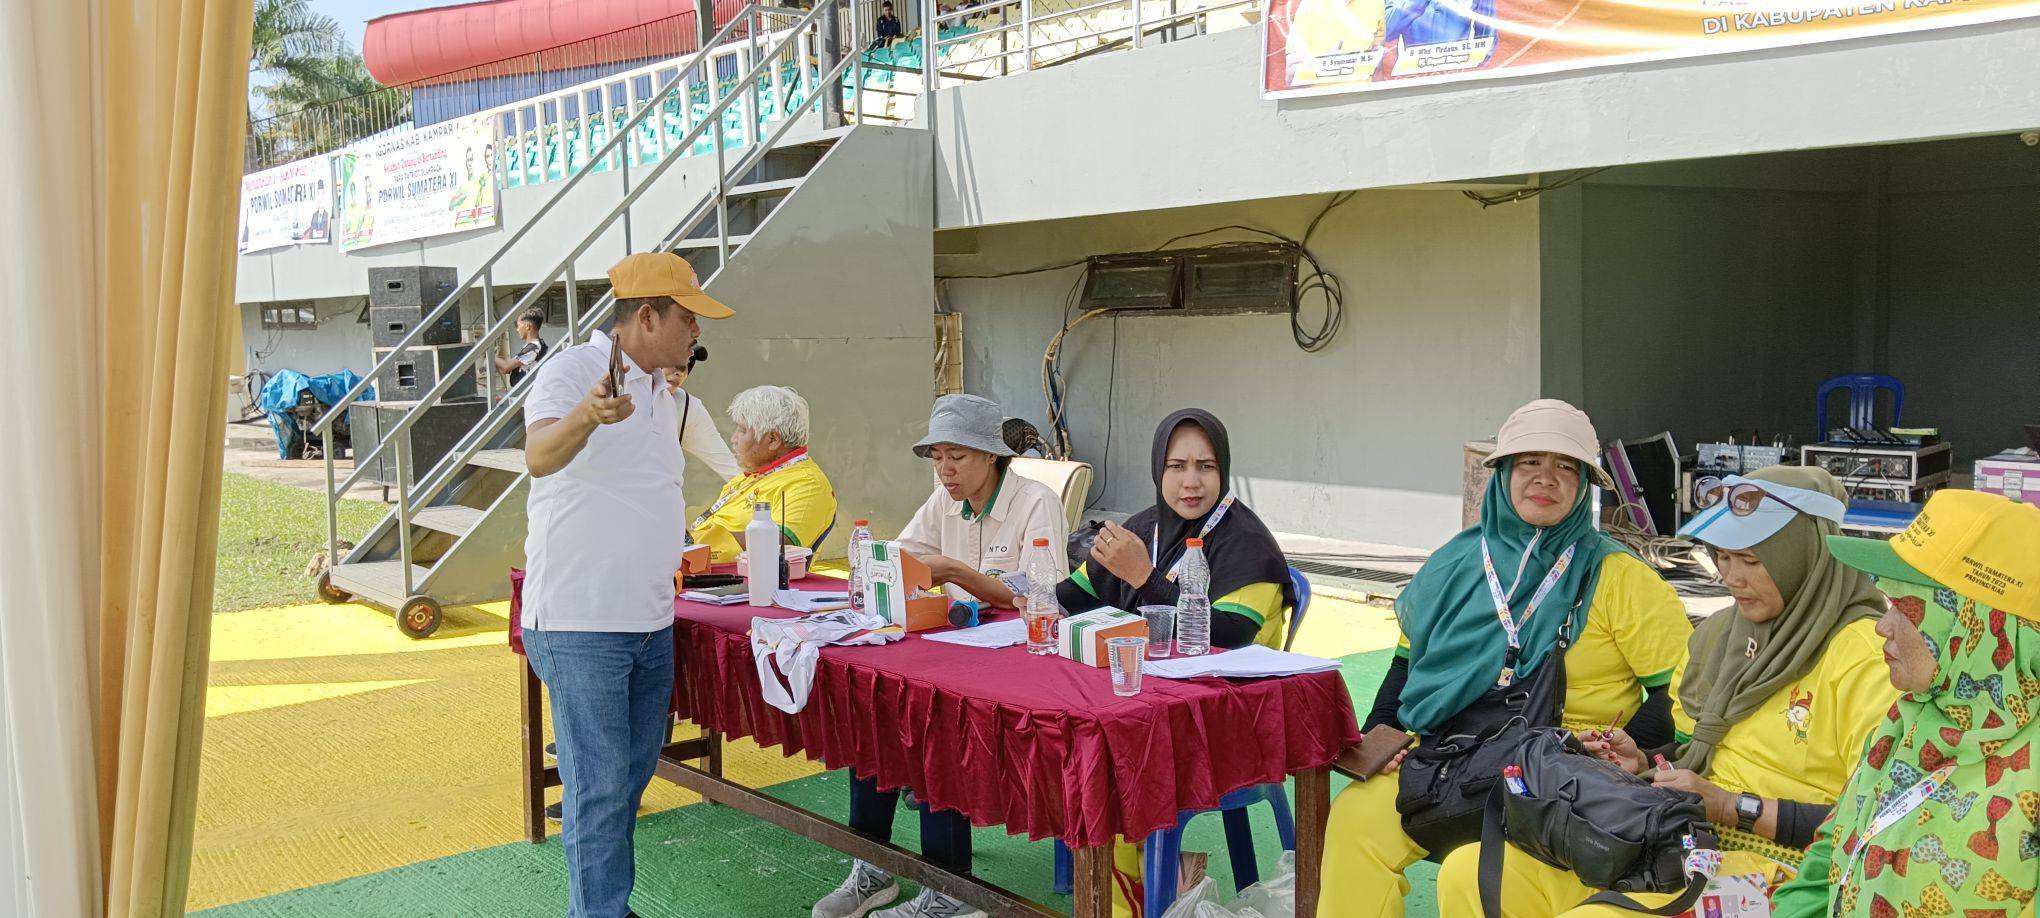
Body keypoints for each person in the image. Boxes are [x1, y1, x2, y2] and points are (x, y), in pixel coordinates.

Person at [1433, 467, 1895, 916]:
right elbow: (1701, 749)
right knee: (1469, 872)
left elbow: (1881, 816)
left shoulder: (1867, 657)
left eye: (1752, 561)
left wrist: (1733, 808)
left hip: (1790, 866)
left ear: (1806, 557)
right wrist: (1647, 763)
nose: (1731, 578)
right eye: (1724, 557)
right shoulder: (1721, 636)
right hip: (1677, 835)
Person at [1321, 399, 1693, 918]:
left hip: (1559, 780)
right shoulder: (1453, 563)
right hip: (1452, 762)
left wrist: (1620, 751)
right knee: (1356, 821)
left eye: (1566, 467)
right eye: (1529, 462)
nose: (1547, 478)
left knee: (1478, 870)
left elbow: (1679, 696)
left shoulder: (1621, 577)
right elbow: (1405, 669)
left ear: (1584, 484)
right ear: (1502, 474)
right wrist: (1384, 738)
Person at [519, 251, 733, 918]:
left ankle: (605, 906)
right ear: (646, 317)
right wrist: (587, 414)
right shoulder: (574, 373)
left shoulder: (665, 391)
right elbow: (539, 455)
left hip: (647, 619)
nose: (697, 333)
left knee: (629, 776)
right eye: (688, 320)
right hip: (583, 623)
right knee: (602, 786)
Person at [813, 394, 1069, 918]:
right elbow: (899, 555)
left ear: (992, 456)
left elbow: (1038, 593)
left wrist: (953, 572)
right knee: (875, 703)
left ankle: (952, 892)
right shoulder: (943, 500)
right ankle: (872, 864)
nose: (945, 470)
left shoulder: (1035, 501)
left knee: (938, 721)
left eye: (958, 456)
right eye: (937, 457)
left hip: (1017, 661)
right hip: (953, 647)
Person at [1052, 409, 1296, 915]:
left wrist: (1143, 576)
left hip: (1229, 720)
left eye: (1205, 467)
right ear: (1157, 471)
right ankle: (1153, 886)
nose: (1191, 482)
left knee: (1109, 776)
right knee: (1072, 753)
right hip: (1149, 709)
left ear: (1223, 471)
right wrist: (1019, 592)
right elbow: (1072, 598)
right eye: (1176, 466)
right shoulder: (1144, 526)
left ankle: (1141, 891)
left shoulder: (1246, 542)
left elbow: (1227, 637)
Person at [1771, 490, 2040, 918]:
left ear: (1974, 627)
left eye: (1905, 607)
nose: (1882, 625)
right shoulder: (1910, 716)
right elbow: (1835, 851)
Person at [688, 385, 837, 564]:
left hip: (748, 584)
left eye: (742, 431)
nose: (733, 439)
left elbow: (780, 547)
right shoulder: (750, 477)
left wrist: (699, 541)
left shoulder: (808, 484)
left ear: (773, 440)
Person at [663, 345, 741, 482]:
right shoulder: (617, 391)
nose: (680, 372)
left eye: (687, 363)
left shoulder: (686, 407)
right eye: (674, 359)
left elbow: (731, 468)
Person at [494, 310, 549, 388]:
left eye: (518, 325)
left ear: (527, 326)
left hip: (528, 392)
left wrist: (491, 357)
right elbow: (505, 369)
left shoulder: (534, 348)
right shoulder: (534, 346)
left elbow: (506, 367)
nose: (517, 329)